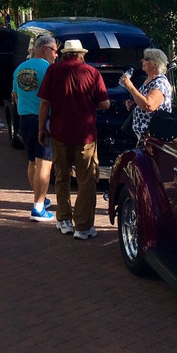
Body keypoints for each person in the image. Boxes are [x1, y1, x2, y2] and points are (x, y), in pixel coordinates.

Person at [37, 38, 109, 240]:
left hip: (59, 132)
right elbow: (105, 104)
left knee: (62, 176)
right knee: (86, 179)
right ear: (81, 54)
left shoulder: (53, 71)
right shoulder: (92, 73)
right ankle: (83, 226)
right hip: (85, 133)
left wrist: (41, 128)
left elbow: (44, 103)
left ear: (64, 53)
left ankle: (64, 219)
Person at [13, 34, 58, 222]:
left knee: (32, 160)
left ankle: (39, 198)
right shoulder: (48, 69)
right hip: (43, 118)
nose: (56, 55)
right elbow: (53, 97)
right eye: (55, 50)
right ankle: (38, 207)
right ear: (45, 49)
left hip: (24, 117)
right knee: (45, 162)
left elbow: (15, 95)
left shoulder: (19, 69)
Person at [120, 48, 174, 145]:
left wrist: (130, 86)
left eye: (146, 59)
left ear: (155, 64)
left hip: (153, 139)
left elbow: (149, 105)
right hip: (143, 137)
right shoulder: (149, 80)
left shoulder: (160, 82)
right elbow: (144, 100)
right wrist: (134, 103)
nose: (142, 60)